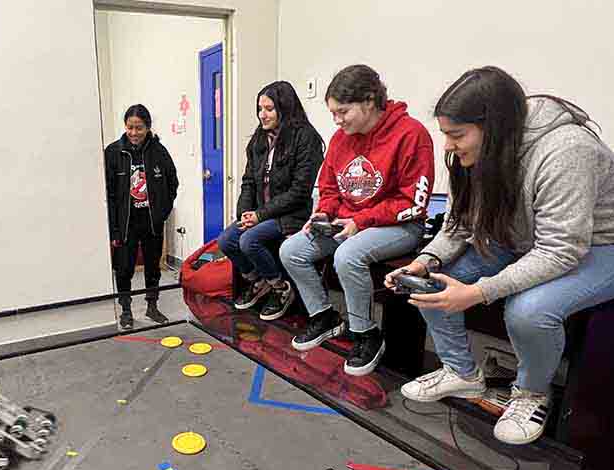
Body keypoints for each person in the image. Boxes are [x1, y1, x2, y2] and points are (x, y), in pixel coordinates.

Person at [387, 66, 614, 445]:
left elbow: (560, 250)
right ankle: (462, 373)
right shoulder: (483, 154)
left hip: (598, 247)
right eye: (445, 134)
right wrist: (425, 261)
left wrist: (478, 292)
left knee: (528, 312)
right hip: (527, 241)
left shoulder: (568, 152)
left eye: (456, 135)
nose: (447, 146)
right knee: (429, 286)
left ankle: (532, 393)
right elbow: (459, 224)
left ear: (494, 127)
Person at [279, 65, 434, 376]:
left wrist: (361, 221)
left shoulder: (411, 134)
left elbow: (412, 203)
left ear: (368, 101)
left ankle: (366, 334)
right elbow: (330, 186)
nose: (337, 120)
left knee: (348, 255)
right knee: (291, 250)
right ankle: (324, 317)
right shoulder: (341, 139)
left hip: (399, 225)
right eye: (333, 113)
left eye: (342, 111)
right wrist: (325, 211)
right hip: (351, 222)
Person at [218, 81, 325, 321]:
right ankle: (260, 282)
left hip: (291, 215)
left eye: (268, 109)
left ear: (285, 108)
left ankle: (280, 288)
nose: (261, 115)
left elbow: (299, 191)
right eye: (259, 109)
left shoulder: (306, 138)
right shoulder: (258, 140)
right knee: (226, 240)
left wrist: (259, 215)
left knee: (249, 241)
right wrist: (244, 213)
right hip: (262, 213)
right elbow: (248, 183)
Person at [104, 104, 179, 329]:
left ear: (148, 127)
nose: (134, 133)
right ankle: (125, 310)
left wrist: (162, 211)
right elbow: (108, 192)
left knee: (152, 266)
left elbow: (172, 182)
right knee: (124, 267)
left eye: (139, 128)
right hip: (125, 222)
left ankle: (152, 306)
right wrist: (113, 227)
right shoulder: (113, 152)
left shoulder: (159, 151)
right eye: (130, 127)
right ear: (125, 126)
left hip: (151, 221)